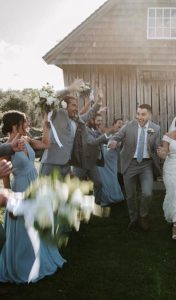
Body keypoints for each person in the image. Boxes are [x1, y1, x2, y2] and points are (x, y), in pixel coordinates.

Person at [0, 111, 65, 283]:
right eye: (24, 121)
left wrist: (46, 123)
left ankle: (41, 256)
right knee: (24, 226)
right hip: (21, 187)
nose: (27, 124)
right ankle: (24, 264)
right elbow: (5, 176)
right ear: (15, 125)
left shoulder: (26, 139)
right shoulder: (6, 148)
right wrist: (11, 202)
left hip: (35, 184)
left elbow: (46, 144)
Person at [108, 104, 161, 231]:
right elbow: (116, 137)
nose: (139, 117)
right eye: (138, 114)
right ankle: (133, 218)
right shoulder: (128, 126)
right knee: (130, 195)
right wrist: (113, 142)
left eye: (143, 114)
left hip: (146, 165)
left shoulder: (156, 128)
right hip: (130, 164)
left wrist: (161, 151)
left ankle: (143, 216)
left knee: (147, 193)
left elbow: (156, 147)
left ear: (149, 115)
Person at [40, 83, 102, 178]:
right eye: (73, 105)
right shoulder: (57, 114)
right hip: (51, 163)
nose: (76, 109)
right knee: (47, 192)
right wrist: (70, 89)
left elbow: (90, 114)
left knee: (63, 193)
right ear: (65, 106)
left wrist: (99, 101)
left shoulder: (77, 120)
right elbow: (51, 98)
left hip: (67, 165)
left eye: (77, 106)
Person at [98, 119, 124, 208]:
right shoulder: (107, 133)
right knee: (103, 180)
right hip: (101, 162)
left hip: (112, 161)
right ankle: (105, 199)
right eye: (119, 123)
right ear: (114, 125)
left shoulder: (120, 137)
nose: (121, 125)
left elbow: (118, 144)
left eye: (122, 124)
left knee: (112, 178)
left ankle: (115, 197)